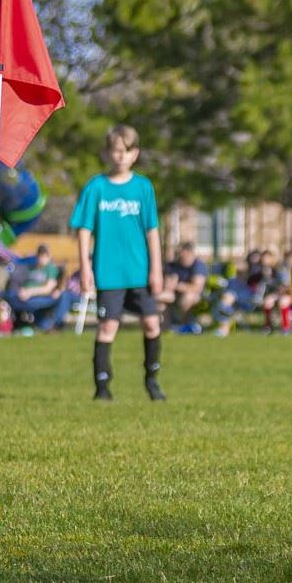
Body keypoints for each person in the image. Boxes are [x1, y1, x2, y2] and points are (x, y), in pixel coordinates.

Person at [70, 124, 166, 402]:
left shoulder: (143, 188)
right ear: (107, 153)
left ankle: (152, 380)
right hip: (109, 272)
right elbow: (84, 230)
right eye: (115, 151)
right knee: (107, 327)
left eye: (126, 151)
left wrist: (156, 269)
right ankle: (102, 386)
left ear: (135, 154)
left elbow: (152, 231)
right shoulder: (96, 188)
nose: (120, 156)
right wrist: (85, 267)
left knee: (151, 323)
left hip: (139, 271)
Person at [3, 244, 76, 332]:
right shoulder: (32, 267)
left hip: (39, 297)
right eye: (40, 255)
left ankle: (50, 325)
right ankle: (11, 324)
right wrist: (21, 290)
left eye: (44, 256)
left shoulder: (51, 268)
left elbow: (48, 288)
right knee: (5, 295)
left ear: (49, 256)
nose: (41, 258)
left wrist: (29, 292)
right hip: (22, 295)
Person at [159, 241, 208, 333]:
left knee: (187, 297)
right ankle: (165, 327)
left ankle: (183, 325)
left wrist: (177, 286)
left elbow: (197, 288)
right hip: (174, 294)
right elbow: (167, 283)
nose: (180, 255)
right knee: (160, 297)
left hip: (195, 296)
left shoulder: (198, 265)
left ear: (190, 253)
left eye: (182, 252)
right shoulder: (173, 265)